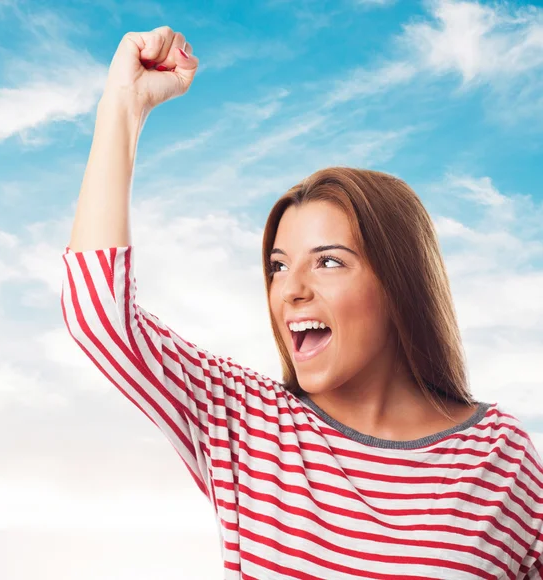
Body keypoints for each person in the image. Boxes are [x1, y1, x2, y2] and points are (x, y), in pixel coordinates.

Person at [61, 26, 543, 579]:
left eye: (329, 260)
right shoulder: (249, 424)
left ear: (399, 283)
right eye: (278, 265)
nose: (291, 289)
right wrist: (124, 105)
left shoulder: (500, 460)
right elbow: (99, 314)